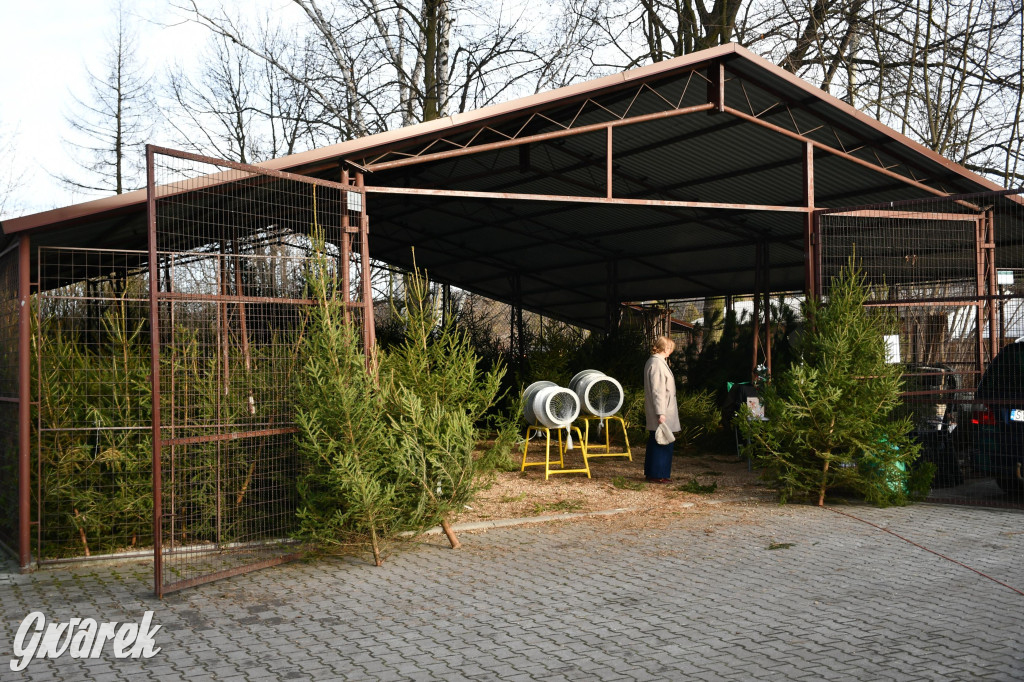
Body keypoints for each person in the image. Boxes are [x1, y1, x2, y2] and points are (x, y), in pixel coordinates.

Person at [643, 335, 680, 483]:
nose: (671, 351)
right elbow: (658, 390)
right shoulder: (657, 364)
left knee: (657, 440)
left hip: (663, 408)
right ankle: (658, 474)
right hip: (663, 409)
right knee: (662, 442)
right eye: (670, 348)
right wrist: (661, 413)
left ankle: (655, 473)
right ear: (666, 348)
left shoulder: (655, 362)